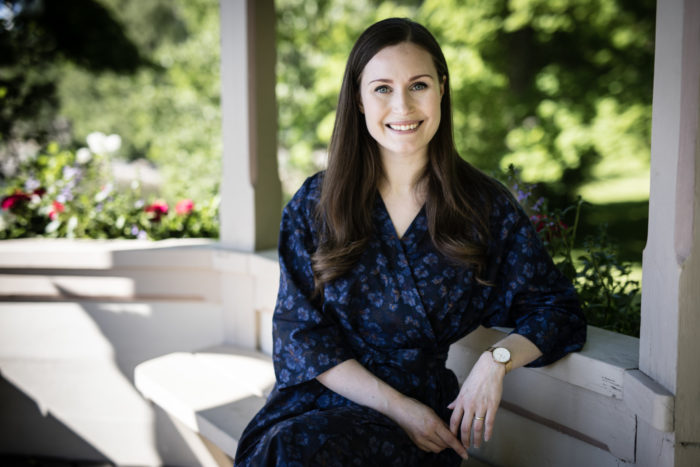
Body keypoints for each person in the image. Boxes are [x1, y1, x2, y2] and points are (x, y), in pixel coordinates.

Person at [234, 17, 586, 466]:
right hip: (317, 408)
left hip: (419, 429)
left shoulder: (482, 206)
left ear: (441, 89)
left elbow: (558, 311)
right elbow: (301, 338)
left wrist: (495, 361)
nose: (402, 105)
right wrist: (397, 407)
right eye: (382, 88)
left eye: (418, 85)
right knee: (290, 448)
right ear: (359, 100)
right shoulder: (316, 204)